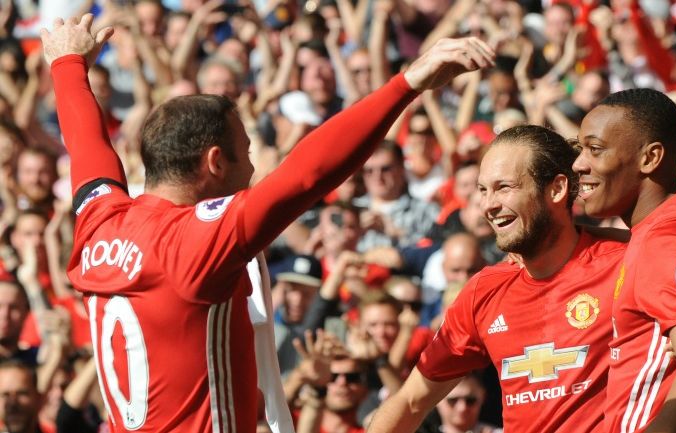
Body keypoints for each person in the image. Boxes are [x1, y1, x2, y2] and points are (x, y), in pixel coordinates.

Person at [41, 13, 494, 433]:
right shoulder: (197, 239)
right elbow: (309, 174)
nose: (254, 170)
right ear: (215, 161)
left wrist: (66, 64)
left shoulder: (99, 219)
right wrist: (407, 83)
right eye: (248, 152)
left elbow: (87, 147)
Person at [367, 125, 625, 433]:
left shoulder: (627, 263)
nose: (488, 205)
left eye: (504, 187)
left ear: (556, 189)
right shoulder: (483, 290)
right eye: (482, 190)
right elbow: (410, 401)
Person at [573, 88, 676, 432]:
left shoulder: (667, 239)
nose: (578, 164)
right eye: (580, 149)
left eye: (595, 149)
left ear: (650, 158)